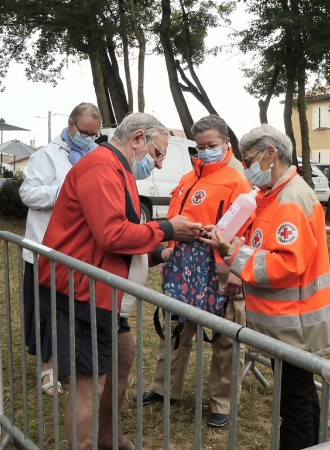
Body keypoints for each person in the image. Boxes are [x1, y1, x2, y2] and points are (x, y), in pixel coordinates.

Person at [38, 112, 203, 449]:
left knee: (122, 357)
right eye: (159, 154)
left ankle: (109, 438)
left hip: (106, 294)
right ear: (138, 138)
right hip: (85, 293)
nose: (158, 165)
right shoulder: (102, 168)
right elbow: (112, 234)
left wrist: (161, 253)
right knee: (90, 384)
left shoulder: (118, 169)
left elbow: (122, 233)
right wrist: (170, 228)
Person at [200, 124, 330, 449]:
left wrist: (231, 251)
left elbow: (285, 264)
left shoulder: (291, 198)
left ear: (271, 154)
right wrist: (229, 235)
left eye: (249, 160)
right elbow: (261, 241)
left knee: (295, 404)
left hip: (298, 324)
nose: (248, 168)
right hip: (288, 323)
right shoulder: (273, 195)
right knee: (299, 398)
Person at [138, 114, 252, 428]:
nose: (204, 151)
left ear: (226, 143)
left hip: (219, 266)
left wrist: (236, 271)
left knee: (227, 337)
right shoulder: (190, 178)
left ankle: (222, 402)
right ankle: (165, 388)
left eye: (211, 145)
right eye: (200, 146)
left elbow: (249, 231)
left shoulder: (237, 180)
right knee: (176, 329)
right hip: (183, 267)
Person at [19, 102, 101, 395]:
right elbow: (27, 193)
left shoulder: (95, 157)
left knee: (72, 313)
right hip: (46, 249)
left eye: (95, 135)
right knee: (46, 313)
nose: (90, 139)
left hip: (80, 251)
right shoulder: (46, 156)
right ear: (70, 124)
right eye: (85, 132)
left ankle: (69, 364)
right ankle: (47, 371)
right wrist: (62, 193)